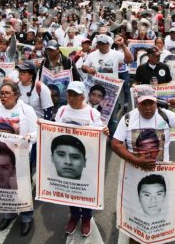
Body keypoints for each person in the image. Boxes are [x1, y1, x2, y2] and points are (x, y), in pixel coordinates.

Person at [54, 81, 109, 237]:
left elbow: (101, 136)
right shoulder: (62, 111)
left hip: (86, 162)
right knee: (70, 189)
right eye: (69, 94)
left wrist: (105, 131)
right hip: (67, 161)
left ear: (83, 96)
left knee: (85, 190)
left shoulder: (92, 114)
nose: (72, 98)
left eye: (76, 95)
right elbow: (54, 133)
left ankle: (86, 218)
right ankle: (74, 216)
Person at [0, 81, 37, 235]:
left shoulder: (26, 110)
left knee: (21, 188)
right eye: (1, 93)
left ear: (16, 95)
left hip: (21, 157)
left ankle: (26, 217)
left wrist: (28, 136)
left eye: (7, 93)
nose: (3, 96)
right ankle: (9, 213)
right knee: (4, 188)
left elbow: (36, 132)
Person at [112, 85, 175, 168]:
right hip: (133, 173)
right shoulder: (128, 118)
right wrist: (136, 161)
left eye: (151, 103)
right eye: (144, 104)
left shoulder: (164, 114)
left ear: (156, 103)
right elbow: (116, 144)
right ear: (137, 104)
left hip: (162, 172)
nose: (148, 108)